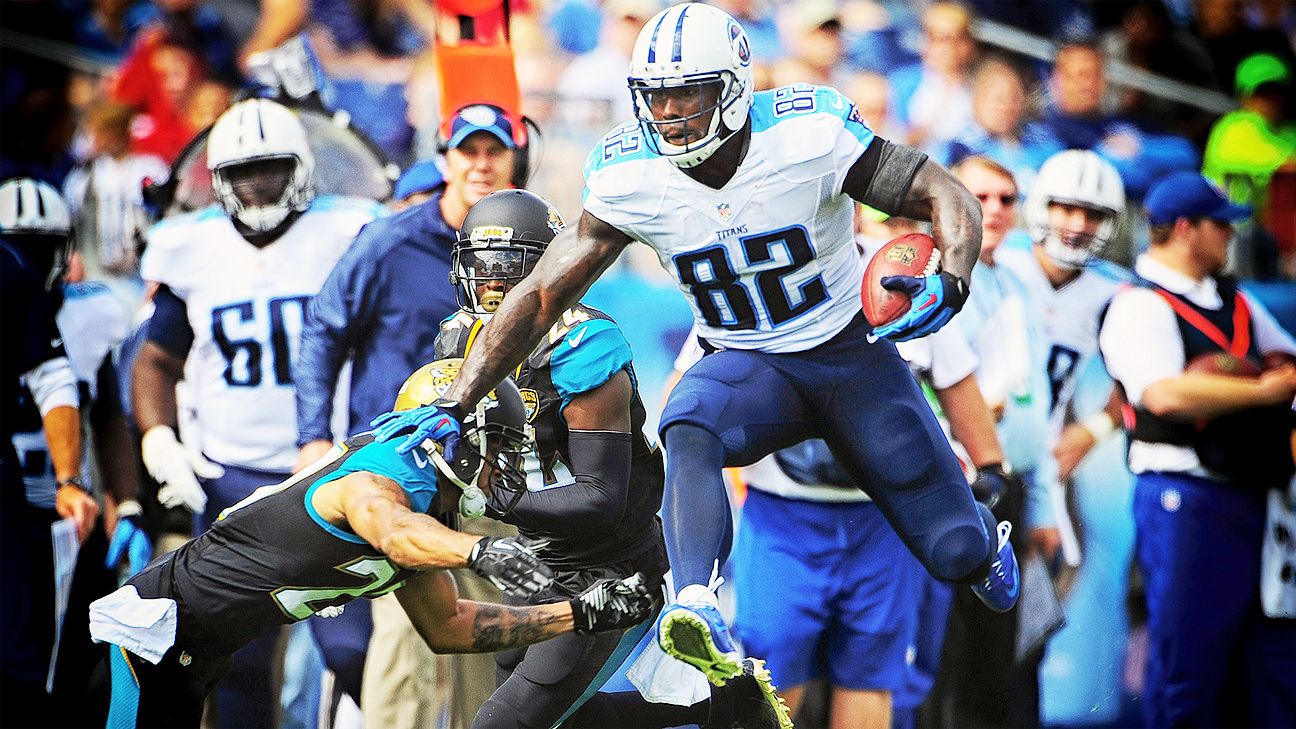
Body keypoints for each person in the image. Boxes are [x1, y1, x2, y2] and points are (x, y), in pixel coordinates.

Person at [390, 0, 1019, 694]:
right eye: (654, 97)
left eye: (686, 94)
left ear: (734, 87)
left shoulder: (808, 135)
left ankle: (981, 539)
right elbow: (540, 296)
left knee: (955, 553)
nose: (667, 113)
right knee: (687, 419)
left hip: (850, 356)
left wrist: (953, 275)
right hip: (748, 362)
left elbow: (942, 191)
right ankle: (695, 601)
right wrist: (457, 401)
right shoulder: (633, 176)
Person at [92, 359, 655, 729]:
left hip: (200, 647)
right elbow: (390, 530)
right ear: (457, 442)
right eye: (499, 449)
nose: (504, 467)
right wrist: (479, 552)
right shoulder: (381, 475)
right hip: (154, 630)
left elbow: (449, 627)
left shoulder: (424, 510)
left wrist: (577, 614)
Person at [435, 188, 787, 729]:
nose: (491, 284)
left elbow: (600, 499)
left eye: (507, 267)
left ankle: (724, 706)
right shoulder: (459, 339)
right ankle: (724, 707)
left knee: (504, 723)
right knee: (560, 718)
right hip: (536, 555)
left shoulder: (583, 346)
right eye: (481, 267)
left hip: (611, 566)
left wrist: (492, 500)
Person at [131, 97, 383, 726]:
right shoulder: (193, 247)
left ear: (300, 168)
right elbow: (155, 360)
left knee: (351, 649)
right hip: (232, 476)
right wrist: (159, 437)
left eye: (270, 169)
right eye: (243, 173)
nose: (257, 186)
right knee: (237, 659)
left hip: (329, 470)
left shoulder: (347, 233)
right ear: (218, 179)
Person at [294, 104, 521, 724]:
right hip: (399, 467)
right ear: (444, 160)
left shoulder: (529, 247)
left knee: (490, 634)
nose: (481, 165)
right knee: (402, 638)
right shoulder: (389, 242)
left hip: (491, 469)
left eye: (494, 151)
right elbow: (324, 330)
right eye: (468, 151)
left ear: (512, 160)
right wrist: (312, 437)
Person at [1098, 171, 1296, 727]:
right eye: (1219, 225)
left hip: (1254, 492)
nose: (1231, 235)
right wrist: (1261, 391)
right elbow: (1163, 394)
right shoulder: (1139, 304)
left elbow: (1288, 360)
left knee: (1261, 666)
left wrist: (1273, 379)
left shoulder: (1235, 300)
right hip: (1185, 496)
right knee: (1188, 666)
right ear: (1186, 229)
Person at [0, 177, 101, 726]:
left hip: (36, 501)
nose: (30, 258)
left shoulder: (14, 276)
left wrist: (70, 480)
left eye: (41, 247)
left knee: (29, 657)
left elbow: (58, 382)